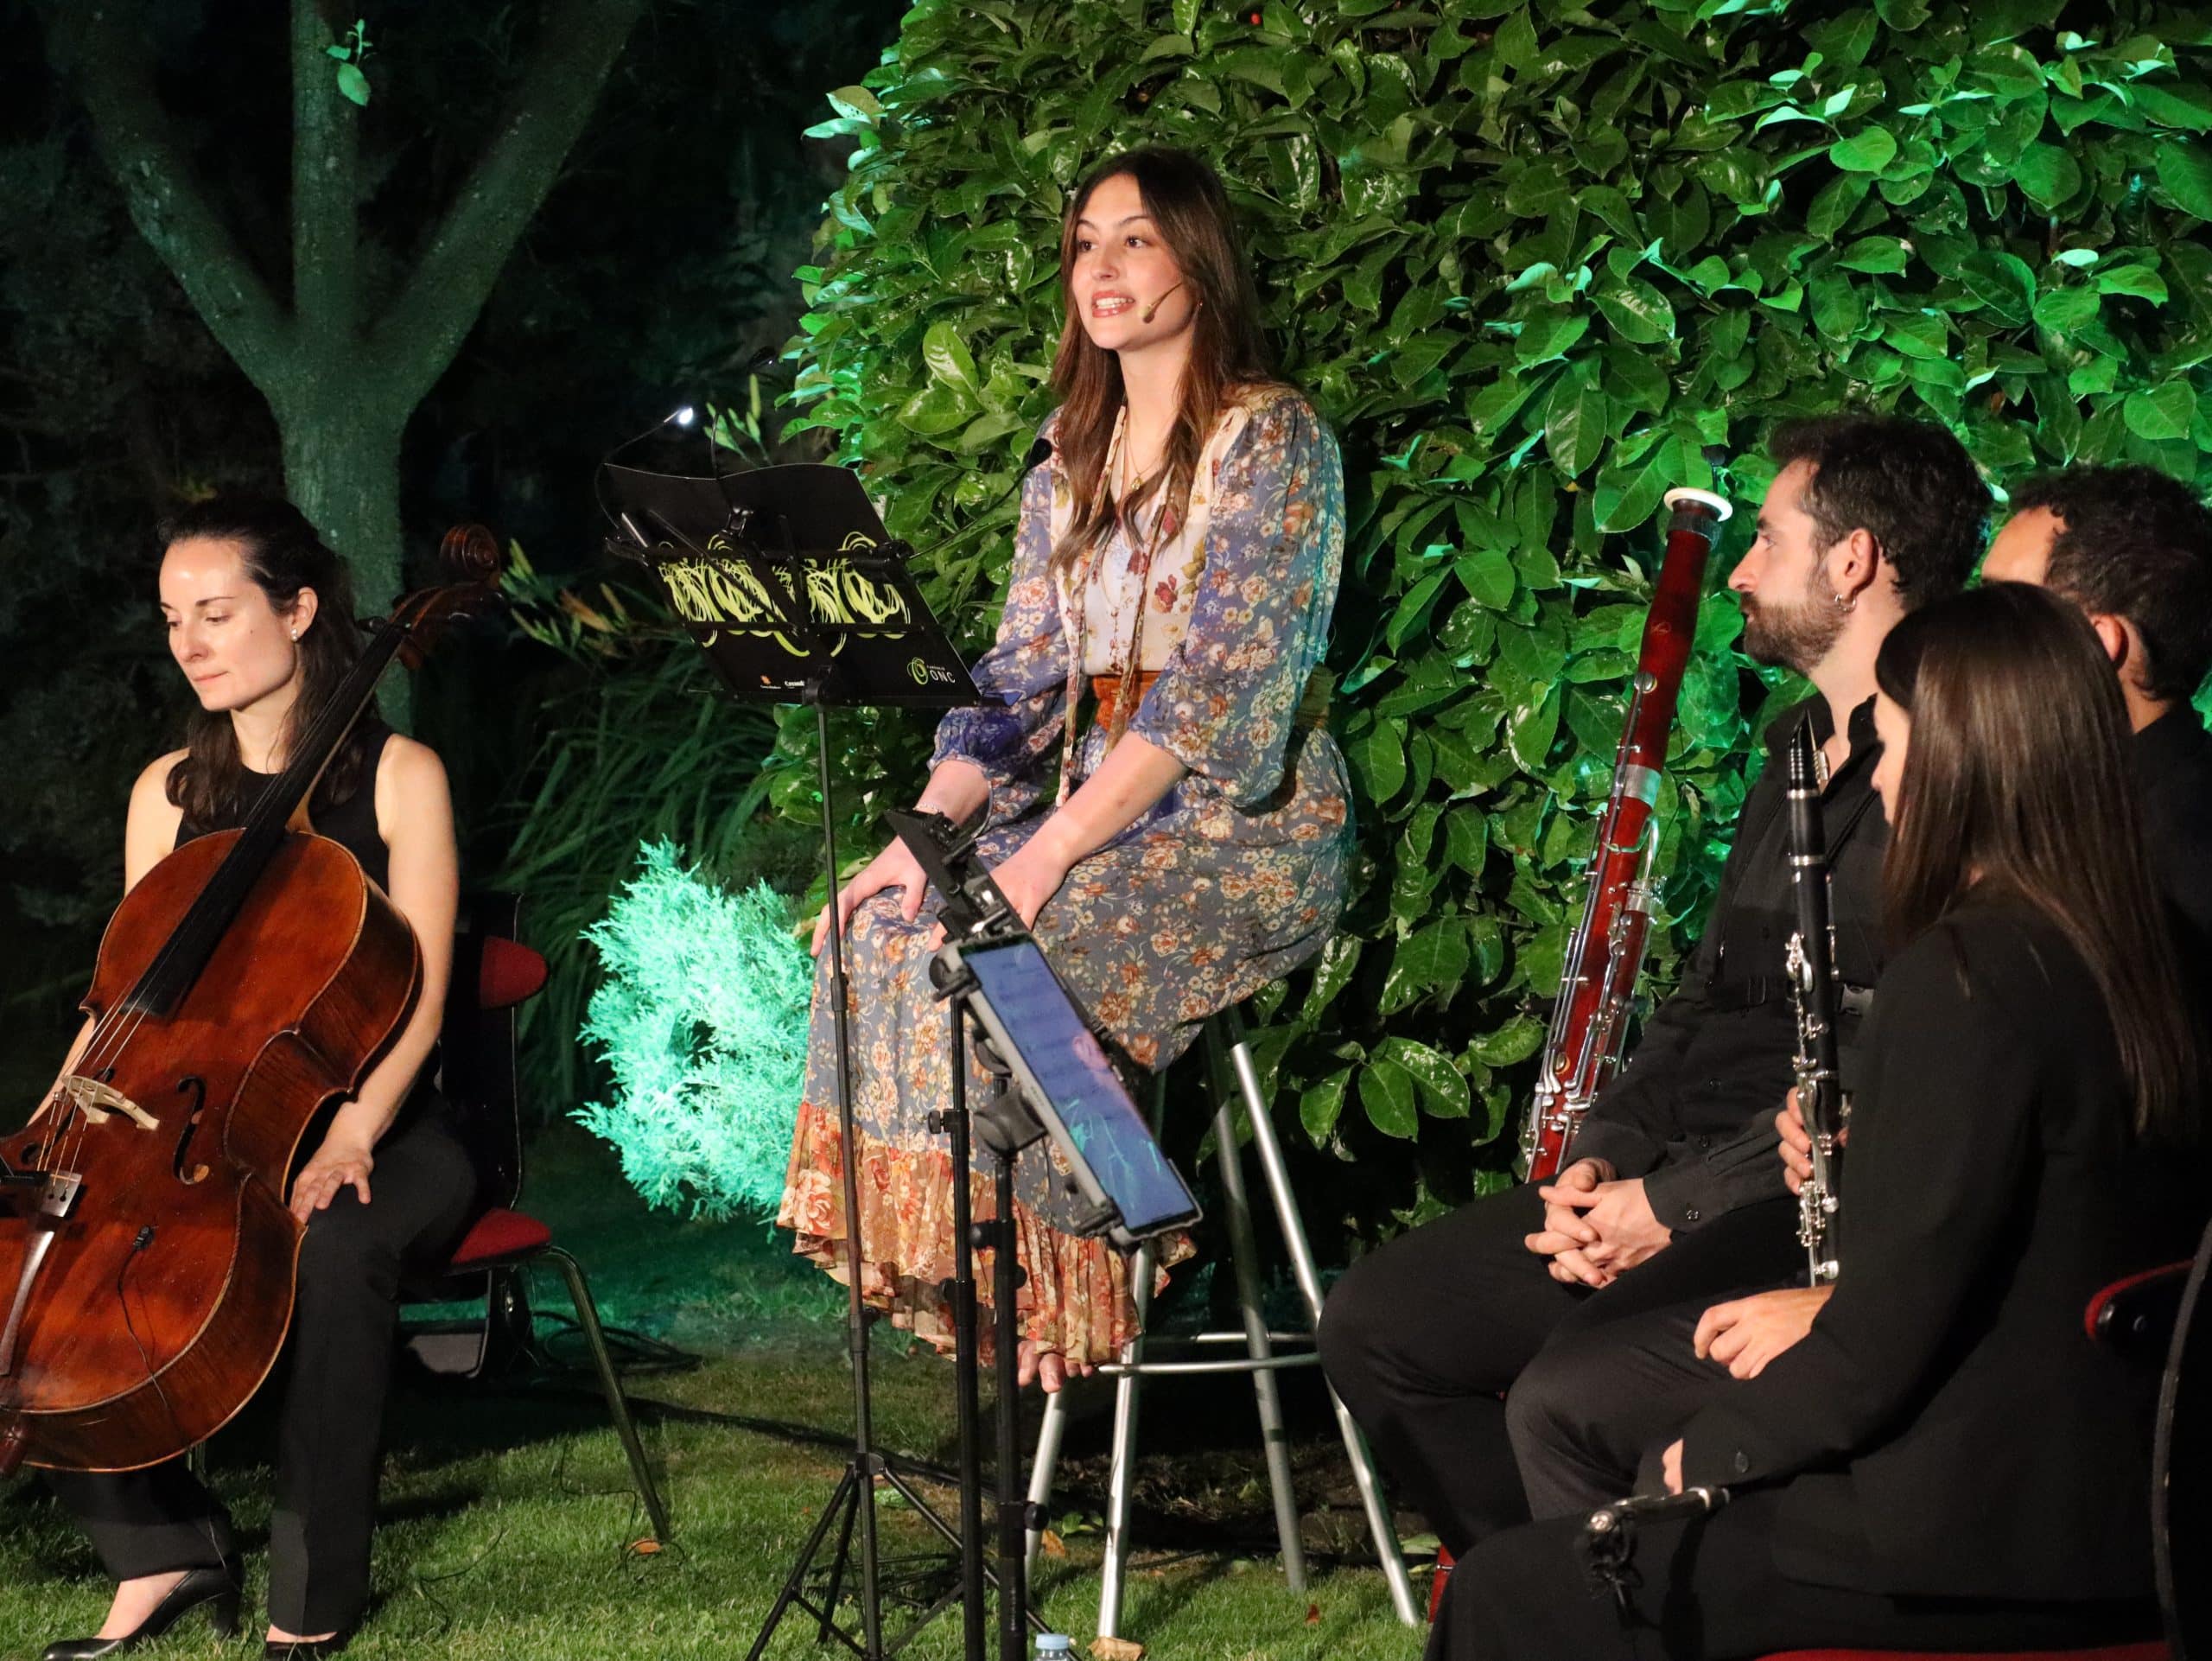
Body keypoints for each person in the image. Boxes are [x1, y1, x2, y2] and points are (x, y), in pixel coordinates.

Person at [1437, 581, 2203, 1659]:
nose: (1881, 780)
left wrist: (1714, 1452)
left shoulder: (1969, 975)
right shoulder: (2149, 946)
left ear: (1962, 757)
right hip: (2112, 1504)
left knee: (1512, 1591)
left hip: (1968, 1539)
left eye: (1890, 744)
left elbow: (1883, 1338)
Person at [1317, 415, 1987, 1553]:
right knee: (1378, 1325)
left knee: (1566, 1389)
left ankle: (1597, 1603)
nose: (1740, 568)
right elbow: (1701, 1004)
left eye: (1768, 539)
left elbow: (1878, 1084)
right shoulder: (1790, 744)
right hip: (1671, 1175)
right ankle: (1528, 1590)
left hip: (1793, 1200)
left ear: (1855, 559)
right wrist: (1609, 1153)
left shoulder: (1947, 769)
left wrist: (1664, 1212)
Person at [776, 147, 1351, 1388]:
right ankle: (1005, 1310)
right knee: (892, 931)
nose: (1103, 267)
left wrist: (1038, 858)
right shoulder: (1068, 448)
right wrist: (916, 846)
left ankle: (1102, 1260)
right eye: (1085, 241)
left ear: (1198, 258)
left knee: (1004, 955)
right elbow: (1023, 678)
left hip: (1237, 828)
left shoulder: (1275, 439)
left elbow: (1215, 703)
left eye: (1135, 239)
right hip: (1092, 814)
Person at [35, 499, 475, 1659]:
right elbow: (131, 999)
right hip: (205, 1123)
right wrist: (66, 1105)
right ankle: (160, 1549)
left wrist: (354, 1133)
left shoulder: (398, 776)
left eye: (217, 611)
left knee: (335, 1243)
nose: (191, 639)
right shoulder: (165, 793)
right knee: (36, 1236)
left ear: (298, 609)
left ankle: (309, 1603)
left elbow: (422, 998)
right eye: (175, 617)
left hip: (389, 1119)